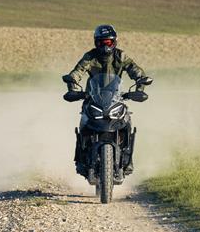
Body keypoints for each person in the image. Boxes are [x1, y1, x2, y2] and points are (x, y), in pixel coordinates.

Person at [62, 24, 147, 175]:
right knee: (83, 123)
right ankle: (81, 160)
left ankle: (127, 161)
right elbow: (78, 71)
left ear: (114, 42)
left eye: (108, 42)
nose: (105, 46)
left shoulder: (121, 56)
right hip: (93, 98)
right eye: (102, 42)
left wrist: (140, 81)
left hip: (116, 97)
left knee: (127, 122)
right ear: (96, 42)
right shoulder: (90, 56)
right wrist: (73, 85)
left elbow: (135, 70)